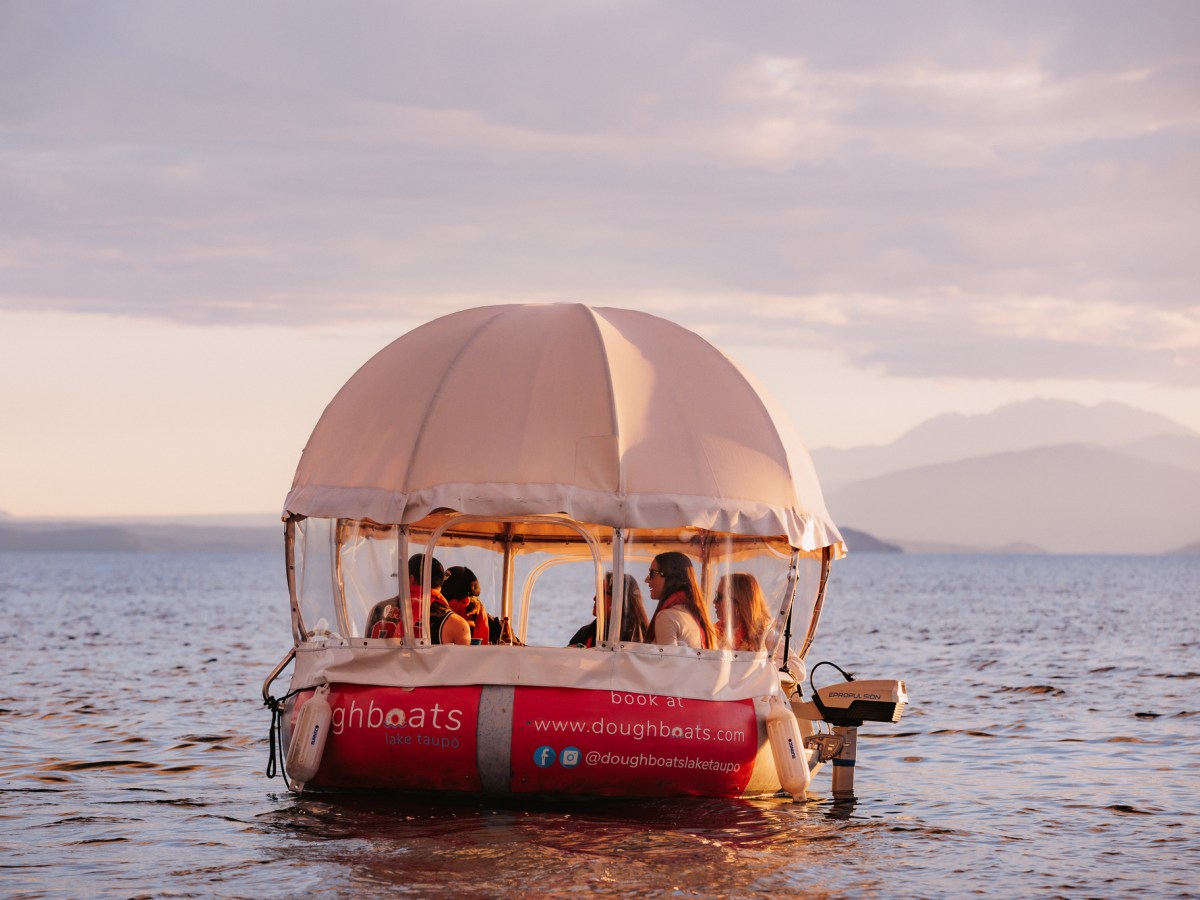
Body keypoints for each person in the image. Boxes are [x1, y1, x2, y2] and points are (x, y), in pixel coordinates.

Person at [364, 554, 470, 645]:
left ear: (411, 579)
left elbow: (365, 654)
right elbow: (461, 667)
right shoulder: (456, 624)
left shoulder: (377, 610)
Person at [644, 552, 716, 649]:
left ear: (670, 577)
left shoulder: (667, 617)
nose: (646, 579)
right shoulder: (695, 615)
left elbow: (667, 663)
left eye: (652, 573)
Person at [567, 573, 649, 647]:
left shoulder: (641, 639)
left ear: (619, 600)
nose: (595, 598)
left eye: (602, 593)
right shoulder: (585, 633)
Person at [713, 572, 771, 651]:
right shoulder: (714, 632)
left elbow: (792, 661)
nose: (714, 601)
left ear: (739, 602)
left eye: (719, 597)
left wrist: (763, 662)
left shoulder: (762, 635)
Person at [443, 566, 497, 645]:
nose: (442, 601)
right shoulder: (436, 622)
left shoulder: (497, 630)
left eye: (447, 598)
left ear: (465, 601)